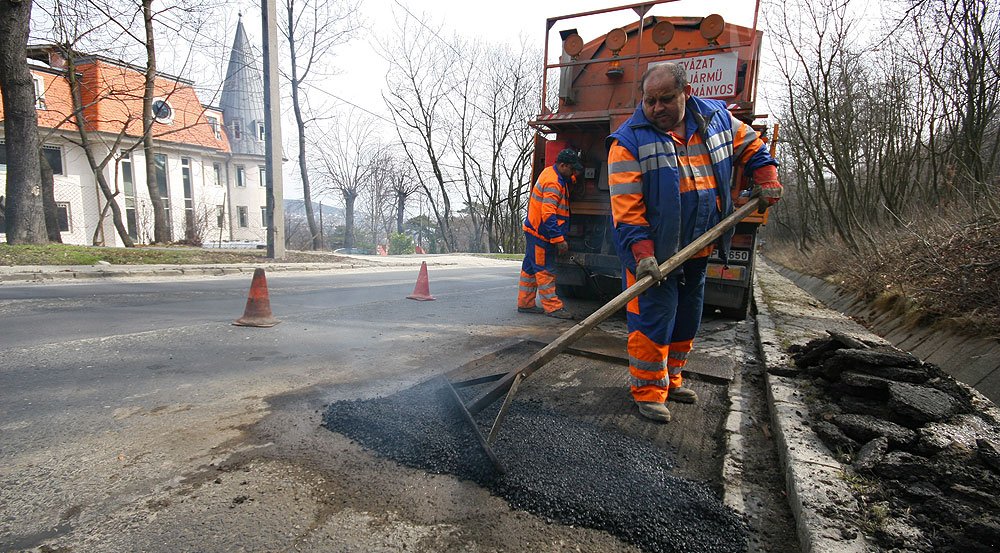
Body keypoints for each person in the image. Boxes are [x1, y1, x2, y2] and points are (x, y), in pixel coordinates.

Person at [607, 63, 782, 422]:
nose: (657, 108)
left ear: (686, 93)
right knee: (654, 318)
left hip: (700, 247)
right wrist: (642, 254)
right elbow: (627, 210)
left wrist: (765, 175)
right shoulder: (628, 142)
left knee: (687, 317)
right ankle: (648, 391)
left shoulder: (716, 118)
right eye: (650, 100)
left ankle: (671, 379)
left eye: (666, 99)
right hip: (655, 257)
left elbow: (751, 145)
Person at [517, 148, 583, 320]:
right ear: (563, 165)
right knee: (545, 270)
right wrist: (559, 239)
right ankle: (552, 307)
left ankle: (525, 303)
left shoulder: (550, 172)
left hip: (534, 231)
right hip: (542, 235)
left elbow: (566, 178)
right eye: (571, 169)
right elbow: (548, 214)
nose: (573, 173)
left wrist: (574, 177)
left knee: (530, 269)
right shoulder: (554, 183)